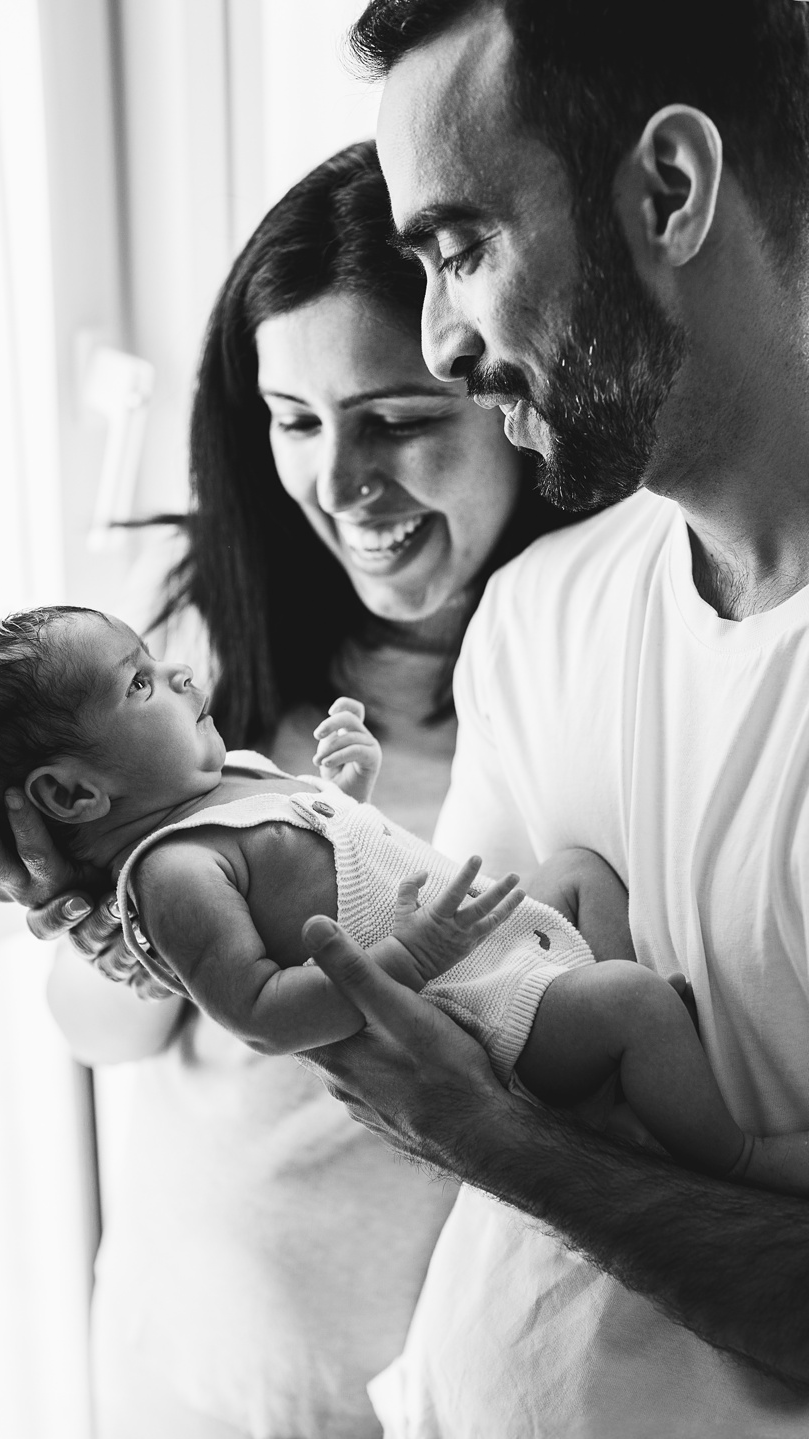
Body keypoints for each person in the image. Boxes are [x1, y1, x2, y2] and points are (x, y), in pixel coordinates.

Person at [0, 143, 562, 1439]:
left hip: (411, 1393)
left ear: (508, 393)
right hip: (178, 1349)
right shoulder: (188, 672)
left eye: (400, 418)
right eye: (297, 420)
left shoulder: (575, 672)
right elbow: (109, 1035)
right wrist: (86, 904)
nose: (339, 483)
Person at [282, 1, 809, 1432]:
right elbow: (460, 1025)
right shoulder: (544, 614)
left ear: (671, 191)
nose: (440, 341)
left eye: (461, 248)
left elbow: (463, 1102)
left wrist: (502, 1138)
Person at [0, 604, 809, 1192]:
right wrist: (411, 954)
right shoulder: (169, 872)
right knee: (637, 1002)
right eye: (140, 682)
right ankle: (731, 1153)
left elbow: (327, 865)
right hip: (460, 1014)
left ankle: (624, 1084)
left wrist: (347, 786)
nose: (179, 675)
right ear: (71, 796)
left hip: (483, 951)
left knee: (579, 871)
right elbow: (261, 1014)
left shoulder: (226, 778)